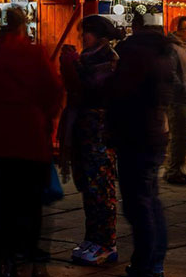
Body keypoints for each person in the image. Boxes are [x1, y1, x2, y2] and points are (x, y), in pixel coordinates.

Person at [0, 6, 63, 277]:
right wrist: (46, 122)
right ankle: (28, 258)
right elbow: (54, 91)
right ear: (23, 28)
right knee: (30, 204)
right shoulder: (35, 55)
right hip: (29, 142)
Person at [107, 13, 175, 277]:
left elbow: (120, 94)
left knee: (138, 202)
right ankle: (154, 259)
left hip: (134, 134)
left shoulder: (132, 52)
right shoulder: (163, 52)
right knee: (150, 198)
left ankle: (146, 262)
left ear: (135, 28)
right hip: (155, 131)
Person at [60, 14, 120, 266]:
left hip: (99, 132)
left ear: (100, 37)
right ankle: (92, 237)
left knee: (100, 187)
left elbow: (92, 88)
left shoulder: (109, 60)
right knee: (87, 185)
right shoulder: (87, 58)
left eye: (86, 32)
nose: (82, 37)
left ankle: (106, 242)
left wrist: (74, 66)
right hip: (85, 131)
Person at [163, 15, 186, 185]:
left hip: (184, 98)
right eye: (185, 29)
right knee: (178, 136)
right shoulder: (173, 48)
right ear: (177, 29)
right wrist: (182, 88)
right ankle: (173, 170)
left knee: (183, 137)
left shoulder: (183, 47)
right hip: (177, 99)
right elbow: (171, 73)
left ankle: (177, 168)